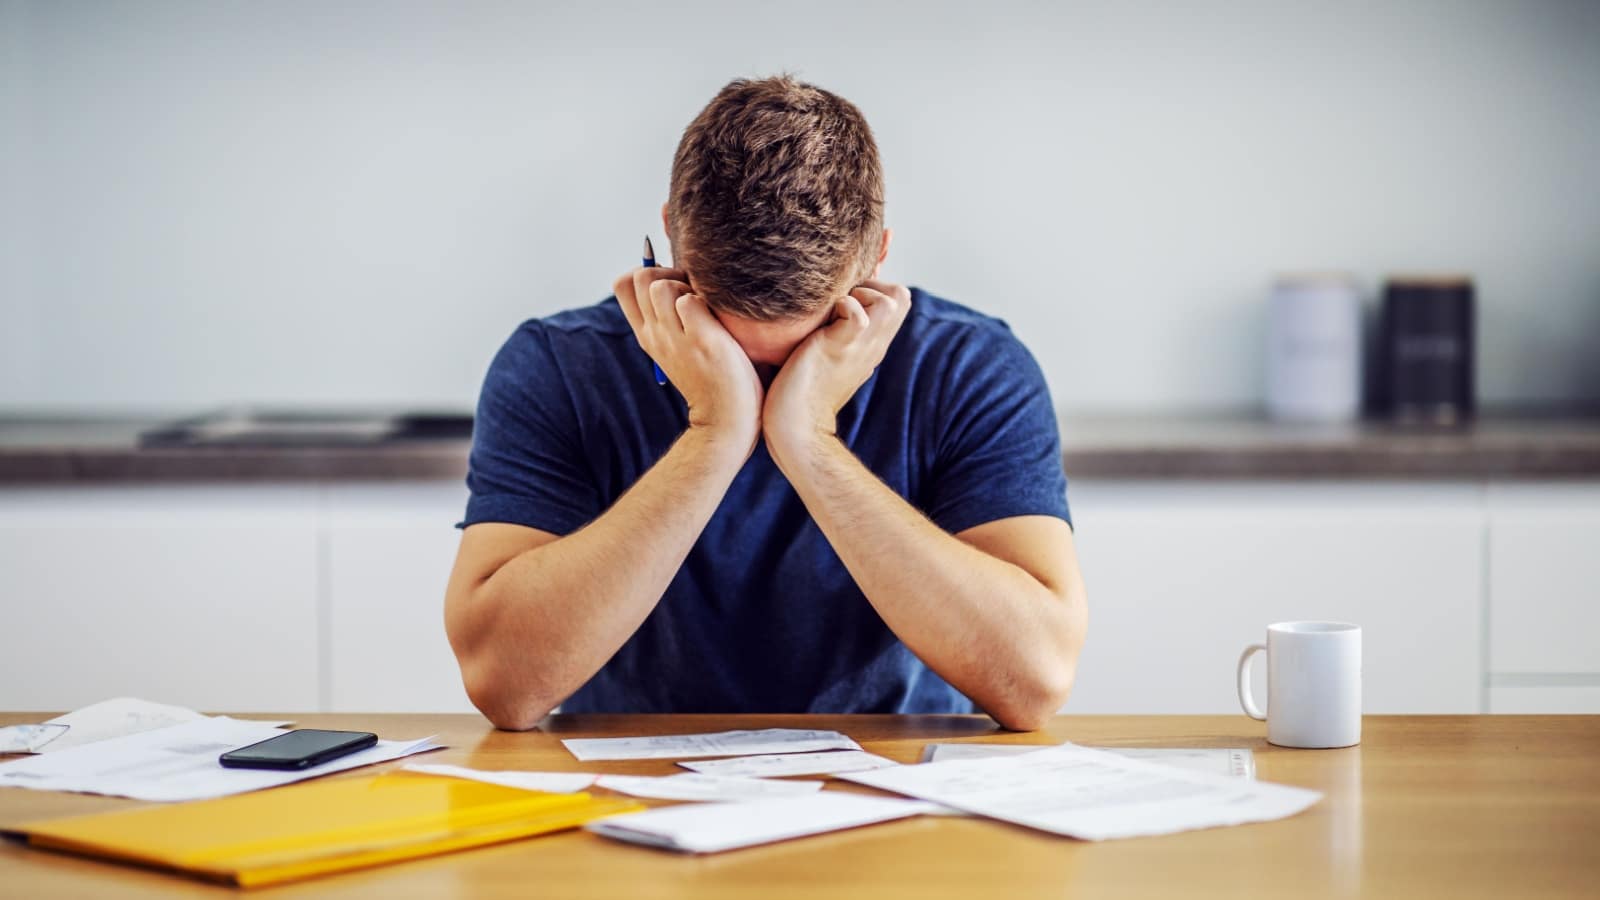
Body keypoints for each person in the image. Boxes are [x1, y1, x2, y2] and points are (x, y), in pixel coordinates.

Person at [444, 76, 1087, 731]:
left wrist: (807, 440)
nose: (762, 375)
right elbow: (505, 685)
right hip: (629, 794)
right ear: (670, 240)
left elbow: (1034, 681)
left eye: (803, 342)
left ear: (877, 259)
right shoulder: (558, 366)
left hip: (898, 780)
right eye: (724, 333)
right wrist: (715, 433)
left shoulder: (967, 366)